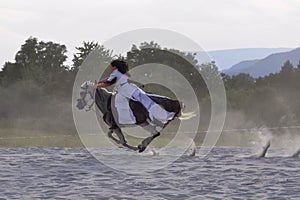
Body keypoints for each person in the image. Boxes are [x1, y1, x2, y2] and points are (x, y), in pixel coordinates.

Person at [96, 59, 175, 126]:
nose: (110, 68)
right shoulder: (119, 73)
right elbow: (108, 79)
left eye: (111, 66)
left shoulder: (116, 72)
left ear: (114, 67)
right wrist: (98, 82)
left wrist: (96, 86)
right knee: (148, 99)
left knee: (145, 103)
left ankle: (163, 115)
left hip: (126, 90)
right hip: (129, 88)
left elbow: (108, 83)